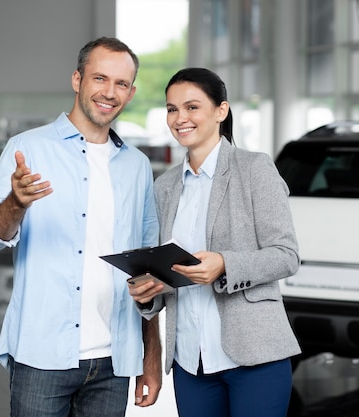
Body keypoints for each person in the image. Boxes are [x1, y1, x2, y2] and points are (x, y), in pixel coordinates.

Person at [0, 37, 162, 417]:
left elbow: (148, 266)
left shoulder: (137, 166)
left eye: (121, 84)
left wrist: (151, 357)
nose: (109, 93)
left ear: (131, 91)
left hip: (115, 360)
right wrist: (16, 203)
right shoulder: (27, 148)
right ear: (77, 80)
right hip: (41, 354)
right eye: (100, 78)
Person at [128, 67, 301, 417]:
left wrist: (225, 263)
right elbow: (168, 267)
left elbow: (286, 256)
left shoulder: (254, 169)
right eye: (172, 109)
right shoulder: (165, 186)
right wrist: (151, 290)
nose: (180, 118)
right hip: (192, 361)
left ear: (221, 111)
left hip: (255, 355)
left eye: (192, 107)